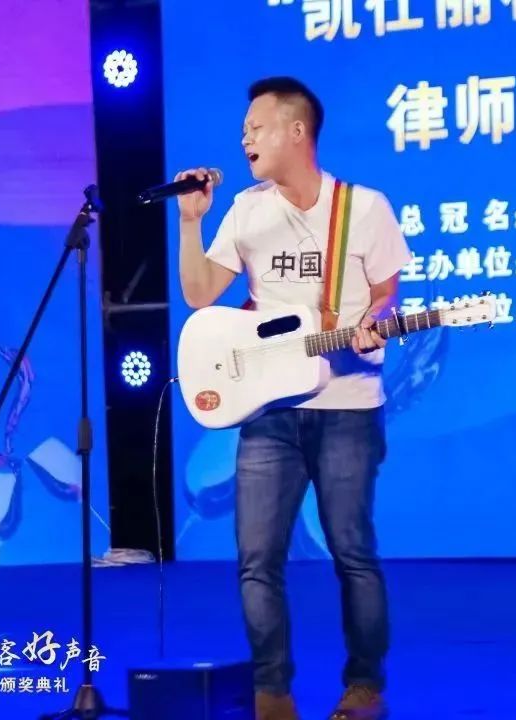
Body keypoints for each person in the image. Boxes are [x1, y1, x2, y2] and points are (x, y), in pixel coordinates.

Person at [176, 76, 412, 720]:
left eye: (257, 126)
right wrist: (191, 222)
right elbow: (200, 295)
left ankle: (364, 688)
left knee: (352, 552)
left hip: (348, 407)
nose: (245, 138)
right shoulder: (247, 209)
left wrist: (373, 320)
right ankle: (271, 692)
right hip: (269, 413)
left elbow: (386, 291)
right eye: (243, 129)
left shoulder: (363, 207)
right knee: (257, 560)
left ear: (297, 131)